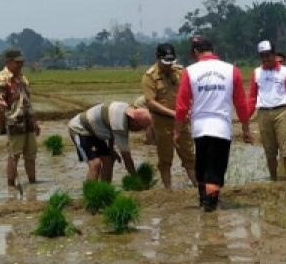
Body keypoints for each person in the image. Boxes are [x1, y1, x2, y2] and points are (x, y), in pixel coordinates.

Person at [174, 36, 252, 212]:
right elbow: (241, 103)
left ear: (195, 51)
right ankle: (210, 213)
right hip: (221, 129)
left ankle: (205, 205)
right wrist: (246, 129)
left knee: (202, 169)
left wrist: (177, 131)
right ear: (212, 49)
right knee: (214, 173)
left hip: (199, 130)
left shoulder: (190, 71)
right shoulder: (231, 70)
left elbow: (182, 105)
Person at [142, 43, 197, 189]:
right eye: (165, 62)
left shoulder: (180, 72)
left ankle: (198, 187)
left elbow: (189, 92)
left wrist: (190, 107)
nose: (168, 65)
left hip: (182, 122)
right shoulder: (150, 77)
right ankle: (168, 191)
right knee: (165, 159)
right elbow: (150, 102)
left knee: (189, 156)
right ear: (157, 58)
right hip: (162, 124)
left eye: (170, 62)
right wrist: (173, 113)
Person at [248, 40, 286, 181]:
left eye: (268, 55)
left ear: (274, 54)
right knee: (270, 151)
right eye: (262, 56)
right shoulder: (256, 73)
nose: (265, 59)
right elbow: (251, 97)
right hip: (263, 113)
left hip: (282, 112)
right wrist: (245, 117)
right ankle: (274, 180)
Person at [0, 48, 41, 190]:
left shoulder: (22, 79)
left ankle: (32, 183)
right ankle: (11, 185)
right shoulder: (1, 79)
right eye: (17, 62)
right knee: (15, 155)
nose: (21, 65)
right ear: (9, 62)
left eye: (21, 62)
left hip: (27, 121)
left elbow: (28, 102)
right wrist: (0, 105)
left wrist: (34, 121)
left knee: (31, 155)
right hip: (14, 122)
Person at [66, 102, 151, 183]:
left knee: (109, 159)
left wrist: (111, 149)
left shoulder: (126, 109)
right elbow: (126, 156)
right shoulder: (120, 123)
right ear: (134, 120)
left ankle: (105, 188)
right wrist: (135, 177)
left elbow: (110, 126)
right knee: (95, 163)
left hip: (95, 131)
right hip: (80, 129)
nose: (138, 131)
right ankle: (89, 195)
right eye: (140, 127)